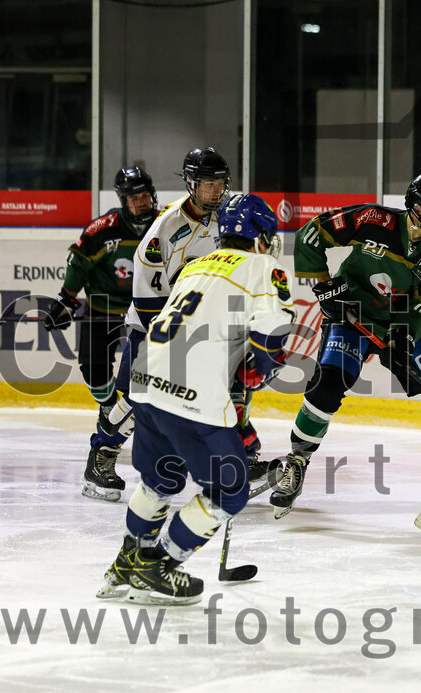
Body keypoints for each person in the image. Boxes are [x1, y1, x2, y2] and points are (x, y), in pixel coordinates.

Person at [98, 193, 294, 605]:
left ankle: (126, 563)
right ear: (260, 237)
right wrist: (259, 371)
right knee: (230, 491)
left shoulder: (196, 265)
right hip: (193, 394)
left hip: (146, 383)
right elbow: (270, 340)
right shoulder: (264, 268)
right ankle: (158, 565)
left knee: (159, 482)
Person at [271, 173, 421, 519]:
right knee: (328, 384)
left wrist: (401, 338)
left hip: (399, 325)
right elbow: (310, 235)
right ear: (417, 210)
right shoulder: (374, 220)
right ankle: (296, 462)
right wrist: (325, 288)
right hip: (351, 317)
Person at [84, 147, 255, 502]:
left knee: (226, 391)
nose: (215, 192)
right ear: (191, 183)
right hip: (156, 327)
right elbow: (146, 295)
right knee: (138, 400)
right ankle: (101, 456)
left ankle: (241, 456)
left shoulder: (230, 218)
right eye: (207, 185)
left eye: (220, 184)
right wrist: (171, 340)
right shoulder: (165, 229)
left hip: (205, 328)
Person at [42, 166, 159, 502]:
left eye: (144, 195)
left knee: (143, 381)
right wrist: (66, 300)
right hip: (104, 305)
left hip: (146, 310)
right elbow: (79, 262)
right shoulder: (102, 229)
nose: (141, 202)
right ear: (123, 201)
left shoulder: (165, 224)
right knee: (93, 370)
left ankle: (119, 427)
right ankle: (109, 408)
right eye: (134, 198)